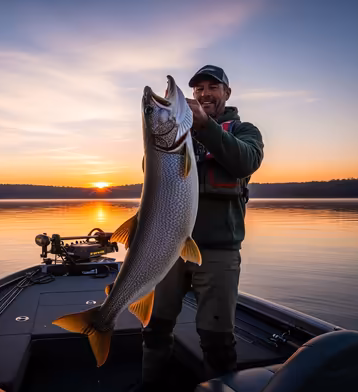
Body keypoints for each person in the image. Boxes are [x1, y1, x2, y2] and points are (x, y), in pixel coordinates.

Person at [135, 65, 264, 391]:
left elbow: (245, 161)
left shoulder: (245, 131)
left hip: (218, 251)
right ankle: (151, 385)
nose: (205, 94)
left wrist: (207, 128)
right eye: (199, 89)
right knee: (155, 328)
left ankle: (219, 385)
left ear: (227, 93)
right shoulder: (179, 133)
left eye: (212, 87)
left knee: (217, 338)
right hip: (168, 247)